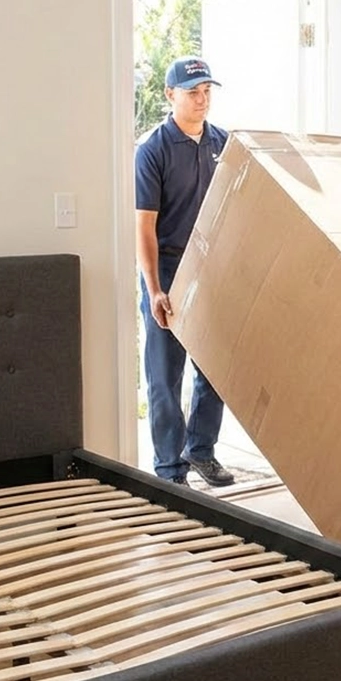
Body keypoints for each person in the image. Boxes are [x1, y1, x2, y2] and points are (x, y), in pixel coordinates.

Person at [135, 56, 235, 487]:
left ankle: (201, 450)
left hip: (210, 266)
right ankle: (169, 470)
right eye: (193, 92)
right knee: (165, 374)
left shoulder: (223, 142)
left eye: (207, 91)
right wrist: (155, 289)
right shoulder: (152, 149)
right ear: (169, 94)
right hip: (168, 266)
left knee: (215, 369)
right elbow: (144, 228)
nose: (201, 99)